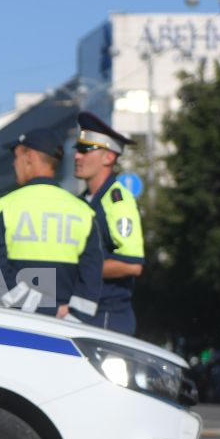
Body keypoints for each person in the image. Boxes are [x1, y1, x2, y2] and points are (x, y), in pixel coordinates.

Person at [0, 129, 101, 320]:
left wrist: (48, 311)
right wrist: (69, 320)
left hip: (17, 328)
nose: (14, 163)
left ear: (29, 157)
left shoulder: (3, 208)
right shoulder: (84, 212)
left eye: (16, 156)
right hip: (68, 331)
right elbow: (91, 283)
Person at [72, 111, 144, 336]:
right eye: (77, 149)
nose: (77, 156)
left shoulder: (118, 201)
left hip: (108, 317)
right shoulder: (81, 202)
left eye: (85, 149)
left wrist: (74, 270)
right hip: (80, 313)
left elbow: (132, 265)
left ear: (108, 157)